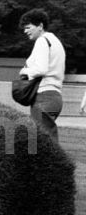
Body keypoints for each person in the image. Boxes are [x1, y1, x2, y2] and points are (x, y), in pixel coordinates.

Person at [19, 8, 65, 141]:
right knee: (47, 143)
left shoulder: (42, 41)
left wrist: (24, 71)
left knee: (40, 145)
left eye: (28, 27)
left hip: (44, 97)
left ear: (40, 26)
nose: (25, 31)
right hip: (55, 97)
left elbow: (41, 69)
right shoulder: (55, 41)